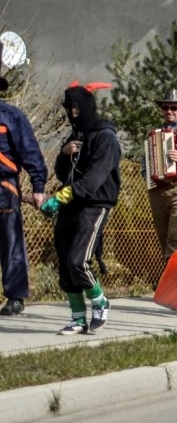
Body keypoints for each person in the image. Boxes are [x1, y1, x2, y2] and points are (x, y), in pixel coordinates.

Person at [48, 84, 122, 334]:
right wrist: (63, 154)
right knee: (65, 261)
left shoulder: (105, 137)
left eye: (77, 109)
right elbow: (61, 173)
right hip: (72, 203)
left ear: (87, 108)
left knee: (78, 260)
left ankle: (100, 300)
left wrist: (62, 196)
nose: (73, 114)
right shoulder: (75, 136)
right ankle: (78, 318)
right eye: (70, 110)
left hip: (95, 203)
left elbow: (95, 178)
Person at [0, 75, 49, 315]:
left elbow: (29, 151)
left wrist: (38, 187)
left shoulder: (11, 116)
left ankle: (15, 297)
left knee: (11, 245)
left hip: (4, 189)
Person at [143, 88, 177, 269]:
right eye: (165, 108)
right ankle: (176, 276)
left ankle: (176, 283)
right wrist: (148, 177)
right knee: (163, 238)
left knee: (176, 237)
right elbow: (146, 160)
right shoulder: (154, 134)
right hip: (158, 192)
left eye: (174, 107)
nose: (169, 111)